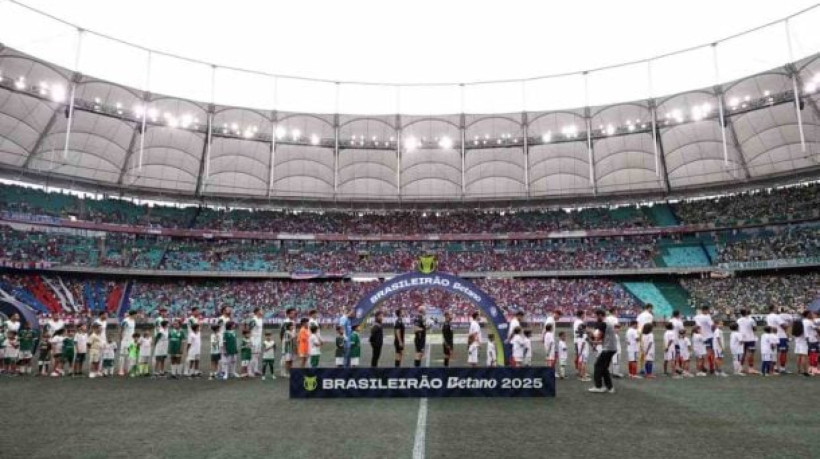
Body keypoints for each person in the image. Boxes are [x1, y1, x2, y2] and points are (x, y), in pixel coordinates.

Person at [588, 309, 618, 394]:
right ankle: (610, 387)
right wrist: (595, 342)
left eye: (597, 316)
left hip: (607, 349)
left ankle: (598, 386)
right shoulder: (608, 322)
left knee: (597, 365)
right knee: (604, 368)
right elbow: (603, 338)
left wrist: (591, 336)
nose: (596, 318)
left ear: (600, 315)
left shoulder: (603, 323)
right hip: (612, 348)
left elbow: (598, 336)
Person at [693, 306, 715, 375]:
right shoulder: (707, 317)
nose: (708, 311)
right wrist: (714, 330)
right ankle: (711, 367)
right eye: (708, 310)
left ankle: (701, 367)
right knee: (710, 353)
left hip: (700, 336)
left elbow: (696, 326)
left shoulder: (696, 317)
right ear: (705, 310)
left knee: (701, 353)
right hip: (708, 337)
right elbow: (712, 325)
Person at [765, 305, 787, 373]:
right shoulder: (777, 316)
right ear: (774, 308)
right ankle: (782, 368)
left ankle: (774, 367)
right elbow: (783, 326)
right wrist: (787, 325)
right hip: (780, 335)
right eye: (776, 307)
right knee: (783, 352)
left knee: (773, 352)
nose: (777, 308)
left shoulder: (767, 316)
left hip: (772, 335)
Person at [737, 309, 758, 374]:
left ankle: (740, 368)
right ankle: (750, 368)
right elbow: (755, 329)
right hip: (750, 339)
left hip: (742, 339)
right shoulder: (751, 320)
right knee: (751, 353)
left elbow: (737, 328)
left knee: (742, 353)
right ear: (746, 312)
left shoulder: (738, 320)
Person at [118, 310, 138, 376]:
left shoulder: (134, 321)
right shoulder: (125, 321)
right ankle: (121, 370)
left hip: (131, 340)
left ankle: (128, 369)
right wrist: (121, 337)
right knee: (123, 355)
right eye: (136, 314)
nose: (136, 316)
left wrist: (135, 339)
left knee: (131, 355)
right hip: (125, 340)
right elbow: (121, 329)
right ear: (132, 314)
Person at [248, 307, 264, 377]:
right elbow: (249, 330)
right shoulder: (253, 320)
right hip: (253, 339)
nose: (262, 312)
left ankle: (255, 369)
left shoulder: (260, 319)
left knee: (257, 355)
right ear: (257, 312)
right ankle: (249, 371)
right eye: (261, 311)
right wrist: (250, 340)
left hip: (258, 339)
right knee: (252, 355)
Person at [804, 310, 819, 376]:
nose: (813, 315)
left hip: (811, 339)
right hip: (812, 340)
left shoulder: (805, 321)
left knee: (813, 354)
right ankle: (812, 369)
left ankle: (813, 368)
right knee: (813, 355)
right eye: (812, 314)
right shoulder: (810, 322)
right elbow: (817, 329)